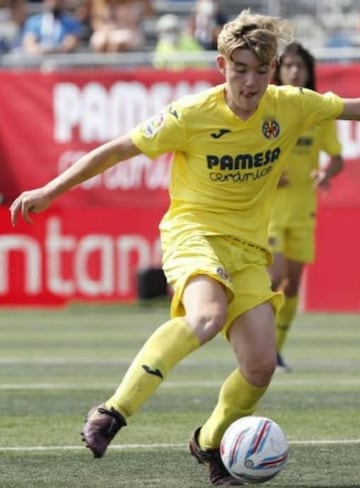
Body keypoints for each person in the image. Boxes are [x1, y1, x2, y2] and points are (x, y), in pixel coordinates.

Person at [10, 9, 360, 486]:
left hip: (248, 249)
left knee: (259, 365)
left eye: (261, 70)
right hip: (192, 233)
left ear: (273, 67)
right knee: (206, 316)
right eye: (240, 69)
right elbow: (116, 150)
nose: (251, 82)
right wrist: (50, 190)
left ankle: (211, 443)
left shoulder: (293, 105)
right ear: (221, 66)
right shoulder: (192, 114)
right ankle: (114, 410)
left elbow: (352, 107)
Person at [268, 42, 344, 372]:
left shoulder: (319, 111)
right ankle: (258, 346)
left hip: (303, 209)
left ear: (309, 70)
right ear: (278, 70)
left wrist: (325, 173)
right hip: (271, 211)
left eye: (300, 65)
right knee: (275, 278)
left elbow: (337, 158)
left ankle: (275, 351)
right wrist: (271, 174)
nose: (295, 71)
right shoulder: (266, 108)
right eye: (288, 65)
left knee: (294, 285)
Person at [88, 0, 153, 53]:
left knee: (118, 43)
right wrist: (107, 30)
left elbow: (149, 14)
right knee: (100, 42)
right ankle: (103, 68)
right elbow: (96, 22)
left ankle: (115, 68)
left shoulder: (134, 2)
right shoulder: (99, 2)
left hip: (131, 32)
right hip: (105, 31)